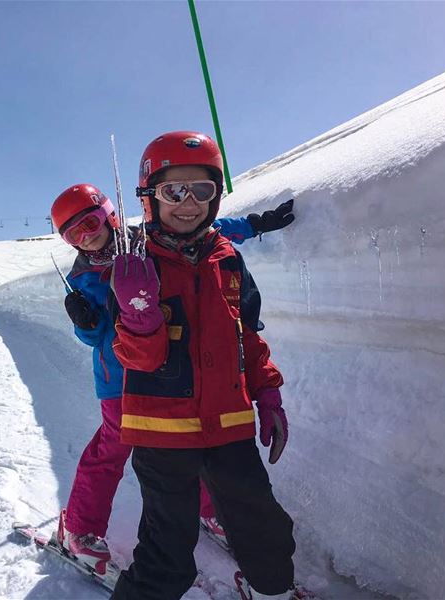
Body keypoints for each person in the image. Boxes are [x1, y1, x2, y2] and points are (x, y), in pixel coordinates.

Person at [50, 184, 294, 573]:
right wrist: (86, 321)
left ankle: (209, 509)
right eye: (73, 234)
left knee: (188, 440)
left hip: (172, 369)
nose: (87, 237)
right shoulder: (83, 278)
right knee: (112, 448)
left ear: (110, 215)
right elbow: (96, 338)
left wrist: (254, 224)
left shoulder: (146, 241)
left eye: (91, 223)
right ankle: (79, 527)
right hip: (121, 381)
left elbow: (205, 230)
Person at [108, 131, 296, 600]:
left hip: (229, 424)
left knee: (266, 532)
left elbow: (247, 336)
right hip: (160, 432)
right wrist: (139, 316)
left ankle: (272, 591)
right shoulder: (135, 262)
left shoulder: (228, 259)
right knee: (167, 553)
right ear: (150, 198)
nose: (188, 202)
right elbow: (136, 360)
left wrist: (267, 393)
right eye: (174, 191)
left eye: (202, 190)